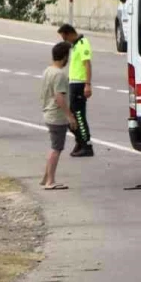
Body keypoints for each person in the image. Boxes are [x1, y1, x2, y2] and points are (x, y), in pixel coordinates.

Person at [40, 41, 78, 190]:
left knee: (54, 147)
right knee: (56, 148)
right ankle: (50, 181)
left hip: (48, 113)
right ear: (64, 57)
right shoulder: (59, 75)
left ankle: (46, 178)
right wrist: (70, 116)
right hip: (56, 116)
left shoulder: (48, 70)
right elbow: (59, 97)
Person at [57, 23, 93, 157]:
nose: (64, 41)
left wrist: (87, 84)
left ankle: (86, 143)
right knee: (70, 116)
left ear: (69, 34)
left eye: (64, 38)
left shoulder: (83, 43)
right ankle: (80, 141)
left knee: (77, 116)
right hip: (74, 83)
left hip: (80, 84)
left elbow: (87, 64)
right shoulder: (76, 45)